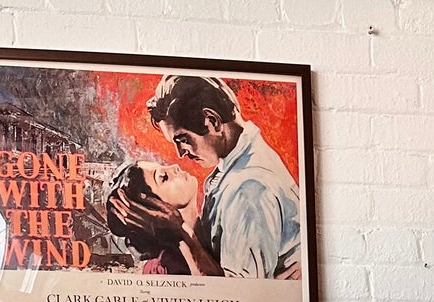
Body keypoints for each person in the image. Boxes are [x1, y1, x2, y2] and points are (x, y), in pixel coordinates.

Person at [117, 73, 301, 281]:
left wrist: (182, 233)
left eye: (183, 139)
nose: (180, 154)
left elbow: (239, 299)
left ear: (212, 121)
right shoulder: (233, 170)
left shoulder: (248, 189)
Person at [105, 160, 200, 274]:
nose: (175, 166)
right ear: (154, 211)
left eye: (164, 166)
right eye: (164, 177)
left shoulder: (213, 214)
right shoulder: (166, 267)